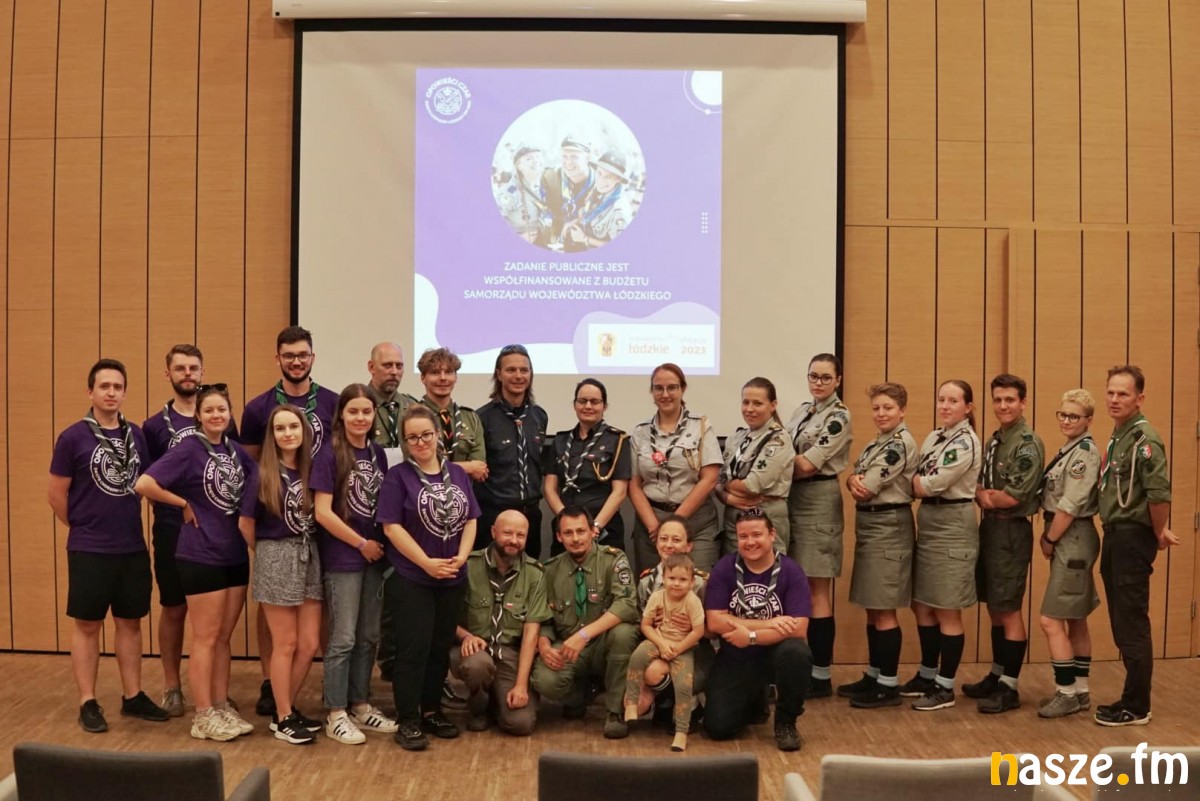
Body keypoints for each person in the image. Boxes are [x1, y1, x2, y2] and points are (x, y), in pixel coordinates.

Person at [48, 359, 169, 733]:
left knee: (130, 622)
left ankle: (132, 696)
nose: (111, 392)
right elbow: (56, 494)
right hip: (89, 548)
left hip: (131, 546)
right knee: (88, 624)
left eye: (117, 386)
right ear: (91, 392)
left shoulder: (137, 435)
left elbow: (145, 484)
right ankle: (88, 700)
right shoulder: (72, 438)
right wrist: (84, 525)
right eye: (104, 386)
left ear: (124, 392)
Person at [136, 383, 258, 742]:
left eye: (222, 410)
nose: (216, 415)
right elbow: (145, 483)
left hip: (234, 553)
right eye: (209, 410)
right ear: (199, 416)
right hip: (200, 553)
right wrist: (183, 504)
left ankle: (220, 705)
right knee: (205, 637)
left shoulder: (236, 451)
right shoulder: (189, 448)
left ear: (230, 414)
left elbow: (261, 480)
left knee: (223, 638)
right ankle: (202, 715)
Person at [240, 325, 339, 717]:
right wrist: (267, 548)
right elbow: (251, 464)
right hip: (277, 536)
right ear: (278, 358)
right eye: (289, 355)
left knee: (311, 631)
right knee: (277, 623)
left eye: (302, 355)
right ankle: (272, 686)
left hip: (317, 527)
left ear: (312, 357)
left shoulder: (332, 402)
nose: (296, 361)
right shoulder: (257, 408)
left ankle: (291, 700)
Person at [141, 344, 238, 717]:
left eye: (193, 368)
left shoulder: (221, 418)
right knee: (174, 607)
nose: (187, 374)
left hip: (215, 533)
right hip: (172, 530)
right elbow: (148, 481)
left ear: (202, 372)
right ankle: (172, 686)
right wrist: (182, 504)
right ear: (168, 373)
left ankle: (213, 693)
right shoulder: (154, 426)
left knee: (213, 624)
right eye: (180, 368)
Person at [377, 404, 480, 751]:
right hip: (413, 578)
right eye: (412, 438)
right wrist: (426, 563)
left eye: (426, 435)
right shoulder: (398, 477)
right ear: (405, 442)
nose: (420, 442)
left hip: (452, 577)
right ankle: (408, 719)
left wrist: (462, 557)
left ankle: (432, 710)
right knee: (413, 649)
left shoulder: (458, 473)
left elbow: (471, 519)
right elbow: (391, 528)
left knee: (439, 648)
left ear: (438, 435)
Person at [311, 384, 396, 745]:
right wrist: (360, 544)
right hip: (345, 557)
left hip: (375, 558)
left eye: (366, 411)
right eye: (353, 411)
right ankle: (335, 713)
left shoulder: (378, 453)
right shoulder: (329, 453)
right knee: (343, 637)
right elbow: (322, 512)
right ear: (341, 415)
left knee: (369, 636)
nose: (360, 418)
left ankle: (360, 704)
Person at [1095, 365, 1176, 727]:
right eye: (1111, 392)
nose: (1114, 399)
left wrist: (1158, 532)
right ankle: (1130, 697)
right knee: (1121, 621)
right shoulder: (1120, 435)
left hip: (1131, 537)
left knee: (1131, 622)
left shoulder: (1145, 440)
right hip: (1116, 534)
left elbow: (1159, 495)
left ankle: (1137, 706)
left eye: (1123, 394)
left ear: (1139, 398)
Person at [238, 406, 323, 744]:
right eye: (280, 428)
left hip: (309, 554)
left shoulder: (313, 470)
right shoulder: (262, 473)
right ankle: (284, 715)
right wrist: (268, 555)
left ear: (304, 431)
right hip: (276, 554)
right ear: (272, 436)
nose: (288, 433)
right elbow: (245, 524)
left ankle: (283, 708)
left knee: (310, 643)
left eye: (293, 427)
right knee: (285, 642)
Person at [963, 374, 1045, 714]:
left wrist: (986, 497)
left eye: (1010, 399)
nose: (1003, 405)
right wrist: (985, 495)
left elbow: (1013, 496)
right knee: (995, 606)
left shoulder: (1027, 443)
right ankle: (997, 675)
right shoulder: (995, 440)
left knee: (1009, 608)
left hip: (1011, 531)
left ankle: (1009, 687)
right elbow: (978, 485)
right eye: (997, 399)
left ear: (1023, 402)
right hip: (990, 529)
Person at [703, 508, 812, 752]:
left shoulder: (792, 571)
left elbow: (798, 629)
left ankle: (786, 722)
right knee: (718, 728)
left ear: (772, 534)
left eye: (756, 534)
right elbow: (715, 622)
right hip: (736, 655)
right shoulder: (725, 568)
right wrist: (770, 623)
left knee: (797, 653)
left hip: (776, 652)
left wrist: (751, 636)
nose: (750, 542)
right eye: (743, 536)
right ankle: (754, 698)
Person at [902, 380, 982, 712]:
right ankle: (927, 674)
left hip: (953, 526)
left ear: (968, 407)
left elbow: (930, 484)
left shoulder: (966, 441)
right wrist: (916, 481)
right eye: (941, 399)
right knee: (923, 605)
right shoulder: (935, 437)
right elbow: (918, 476)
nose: (945, 406)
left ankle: (945, 686)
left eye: (953, 401)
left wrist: (913, 482)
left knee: (948, 609)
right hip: (930, 525)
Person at [839, 382, 919, 709]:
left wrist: (855, 481)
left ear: (902, 410)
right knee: (873, 607)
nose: (881, 413)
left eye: (888, 408)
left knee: (884, 609)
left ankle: (887, 684)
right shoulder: (879, 441)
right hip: (871, 526)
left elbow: (867, 485)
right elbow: (854, 475)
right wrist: (852, 479)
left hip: (889, 526)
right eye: (876, 408)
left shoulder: (898, 444)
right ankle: (874, 675)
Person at [532, 505, 639, 740]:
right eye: (568, 533)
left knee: (624, 633)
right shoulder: (550, 570)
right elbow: (544, 618)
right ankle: (578, 697)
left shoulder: (613, 559)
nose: (575, 538)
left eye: (581, 531)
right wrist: (544, 645)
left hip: (602, 644)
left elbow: (627, 605)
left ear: (593, 531)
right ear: (559, 537)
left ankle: (615, 712)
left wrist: (584, 635)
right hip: (570, 647)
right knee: (544, 679)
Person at [785, 354, 853, 699]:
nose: (819, 382)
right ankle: (799, 669)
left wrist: (774, 467)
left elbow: (808, 465)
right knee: (796, 587)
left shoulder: (839, 417)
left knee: (817, 591)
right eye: (814, 376)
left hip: (819, 499)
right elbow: (786, 450)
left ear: (838, 380)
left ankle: (821, 675)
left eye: (826, 377)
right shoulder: (802, 411)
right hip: (792, 498)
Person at [452, 509, 549, 735]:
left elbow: (531, 634)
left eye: (520, 535)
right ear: (493, 531)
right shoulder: (468, 565)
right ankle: (479, 707)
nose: (513, 540)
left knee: (520, 724)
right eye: (507, 533)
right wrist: (466, 636)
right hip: (475, 648)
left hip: (510, 652)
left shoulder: (535, 574)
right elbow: (443, 615)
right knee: (477, 666)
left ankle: (496, 699)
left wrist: (521, 685)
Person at [1035, 389, 1102, 719]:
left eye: (1074, 416)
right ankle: (1081, 691)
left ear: (1088, 420)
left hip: (1070, 537)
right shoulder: (1071, 448)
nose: (1066, 420)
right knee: (1076, 617)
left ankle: (1067, 694)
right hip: (1071, 536)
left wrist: (1050, 538)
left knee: (1050, 620)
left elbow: (1070, 506)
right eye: (1062, 414)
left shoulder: (1083, 454)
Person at [628, 363, 722, 574]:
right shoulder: (640, 432)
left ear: (683, 389)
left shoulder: (701, 427)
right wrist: (654, 526)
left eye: (672, 387)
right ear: (652, 391)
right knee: (653, 585)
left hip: (696, 523)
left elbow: (709, 478)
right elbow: (634, 484)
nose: (665, 394)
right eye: (658, 388)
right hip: (652, 526)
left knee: (698, 584)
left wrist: (674, 522)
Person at [634, 515, 713, 730]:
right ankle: (666, 700)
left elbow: (714, 631)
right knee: (636, 703)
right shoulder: (646, 582)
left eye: (676, 540)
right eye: (664, 539)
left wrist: (693, 627)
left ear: (689, 546)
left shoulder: (701, 583)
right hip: (658, 648)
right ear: (656, 543)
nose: (669, 545)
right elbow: (640, 625)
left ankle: (689, 705)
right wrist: (653, 626)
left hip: (694, 650)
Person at [624, 553, 706, 751]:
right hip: (659, 640)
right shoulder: (657, 596)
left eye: (682, 579)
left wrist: (678, 648)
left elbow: (698, 632)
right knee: (637, 657)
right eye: (671, 578)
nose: (676, 583)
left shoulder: (693, 601)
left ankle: (681, 731)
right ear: (664, 578)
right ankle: (632, 702)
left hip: (683, 648)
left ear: (692, 582)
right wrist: (661, 644)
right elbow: (646, 625)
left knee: (683, 686)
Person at [543, 378, 631, 553]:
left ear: (604, 406)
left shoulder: (618, 440)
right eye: (582, 401)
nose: (588, 406)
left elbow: (619, 492)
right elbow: (549, 488)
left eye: (595, 402)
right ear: (574, 405)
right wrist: (567, 523)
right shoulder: (560, 441)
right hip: (567, 530)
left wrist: (594, 527)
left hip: (604, 529)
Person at [476, 344, 549, 555]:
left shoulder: (539, 416)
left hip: (530, 515)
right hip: (494, 516)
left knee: (530, 571)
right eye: (511, 370)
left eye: (524, 370)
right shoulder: (482, 418)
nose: (518, 376)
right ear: (499, 374)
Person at [716, 377, 795, 555]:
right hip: (733, 517)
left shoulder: (778, 439)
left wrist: (726, 486)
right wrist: (728, 498)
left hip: (766, 515)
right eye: (746, 402)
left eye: (757, 403)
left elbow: (752, 485)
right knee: (733, 570)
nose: (749, 409)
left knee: (767, 570)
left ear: (773, 405)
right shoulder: (737, 438)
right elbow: (717, 481)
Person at [415, 347, 488, 480]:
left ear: (455, 377)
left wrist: (438, 467)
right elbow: (415, 467)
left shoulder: (470, 418)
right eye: (435, 372)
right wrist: (467, 467)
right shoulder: (412, 417)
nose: (443, 378)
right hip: (422, 490)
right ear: (423, 378)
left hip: (463, 491)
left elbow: (479, 471)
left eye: (448, 372)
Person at [562, 150, 633, 251]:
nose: (601, 180)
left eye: (608, 177)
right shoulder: (598, 191)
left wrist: (585, 239)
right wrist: (574, 222)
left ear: (618, 179)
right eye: (599, 173)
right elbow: (590, 214)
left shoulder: (619, 210)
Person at [497, 143, 553, 246]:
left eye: (538, 156)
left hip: (544, 240)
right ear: (519, 166)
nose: (536, 161)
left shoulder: (547, 184)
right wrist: (516, 237)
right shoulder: (511, 192)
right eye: (529, 159)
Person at [543, 135, 594, 244]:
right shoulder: (550, 177)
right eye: (564, 156)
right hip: (557, 243)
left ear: (588, 158)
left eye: (574, 156)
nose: (568, 162)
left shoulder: (602, 181)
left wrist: (578, 220)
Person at [365, 341, 416, 450]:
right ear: (371, 367)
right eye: (387, 365)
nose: (394, 372)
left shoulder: (412, 407)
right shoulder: (356, 407)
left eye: (399, 366)